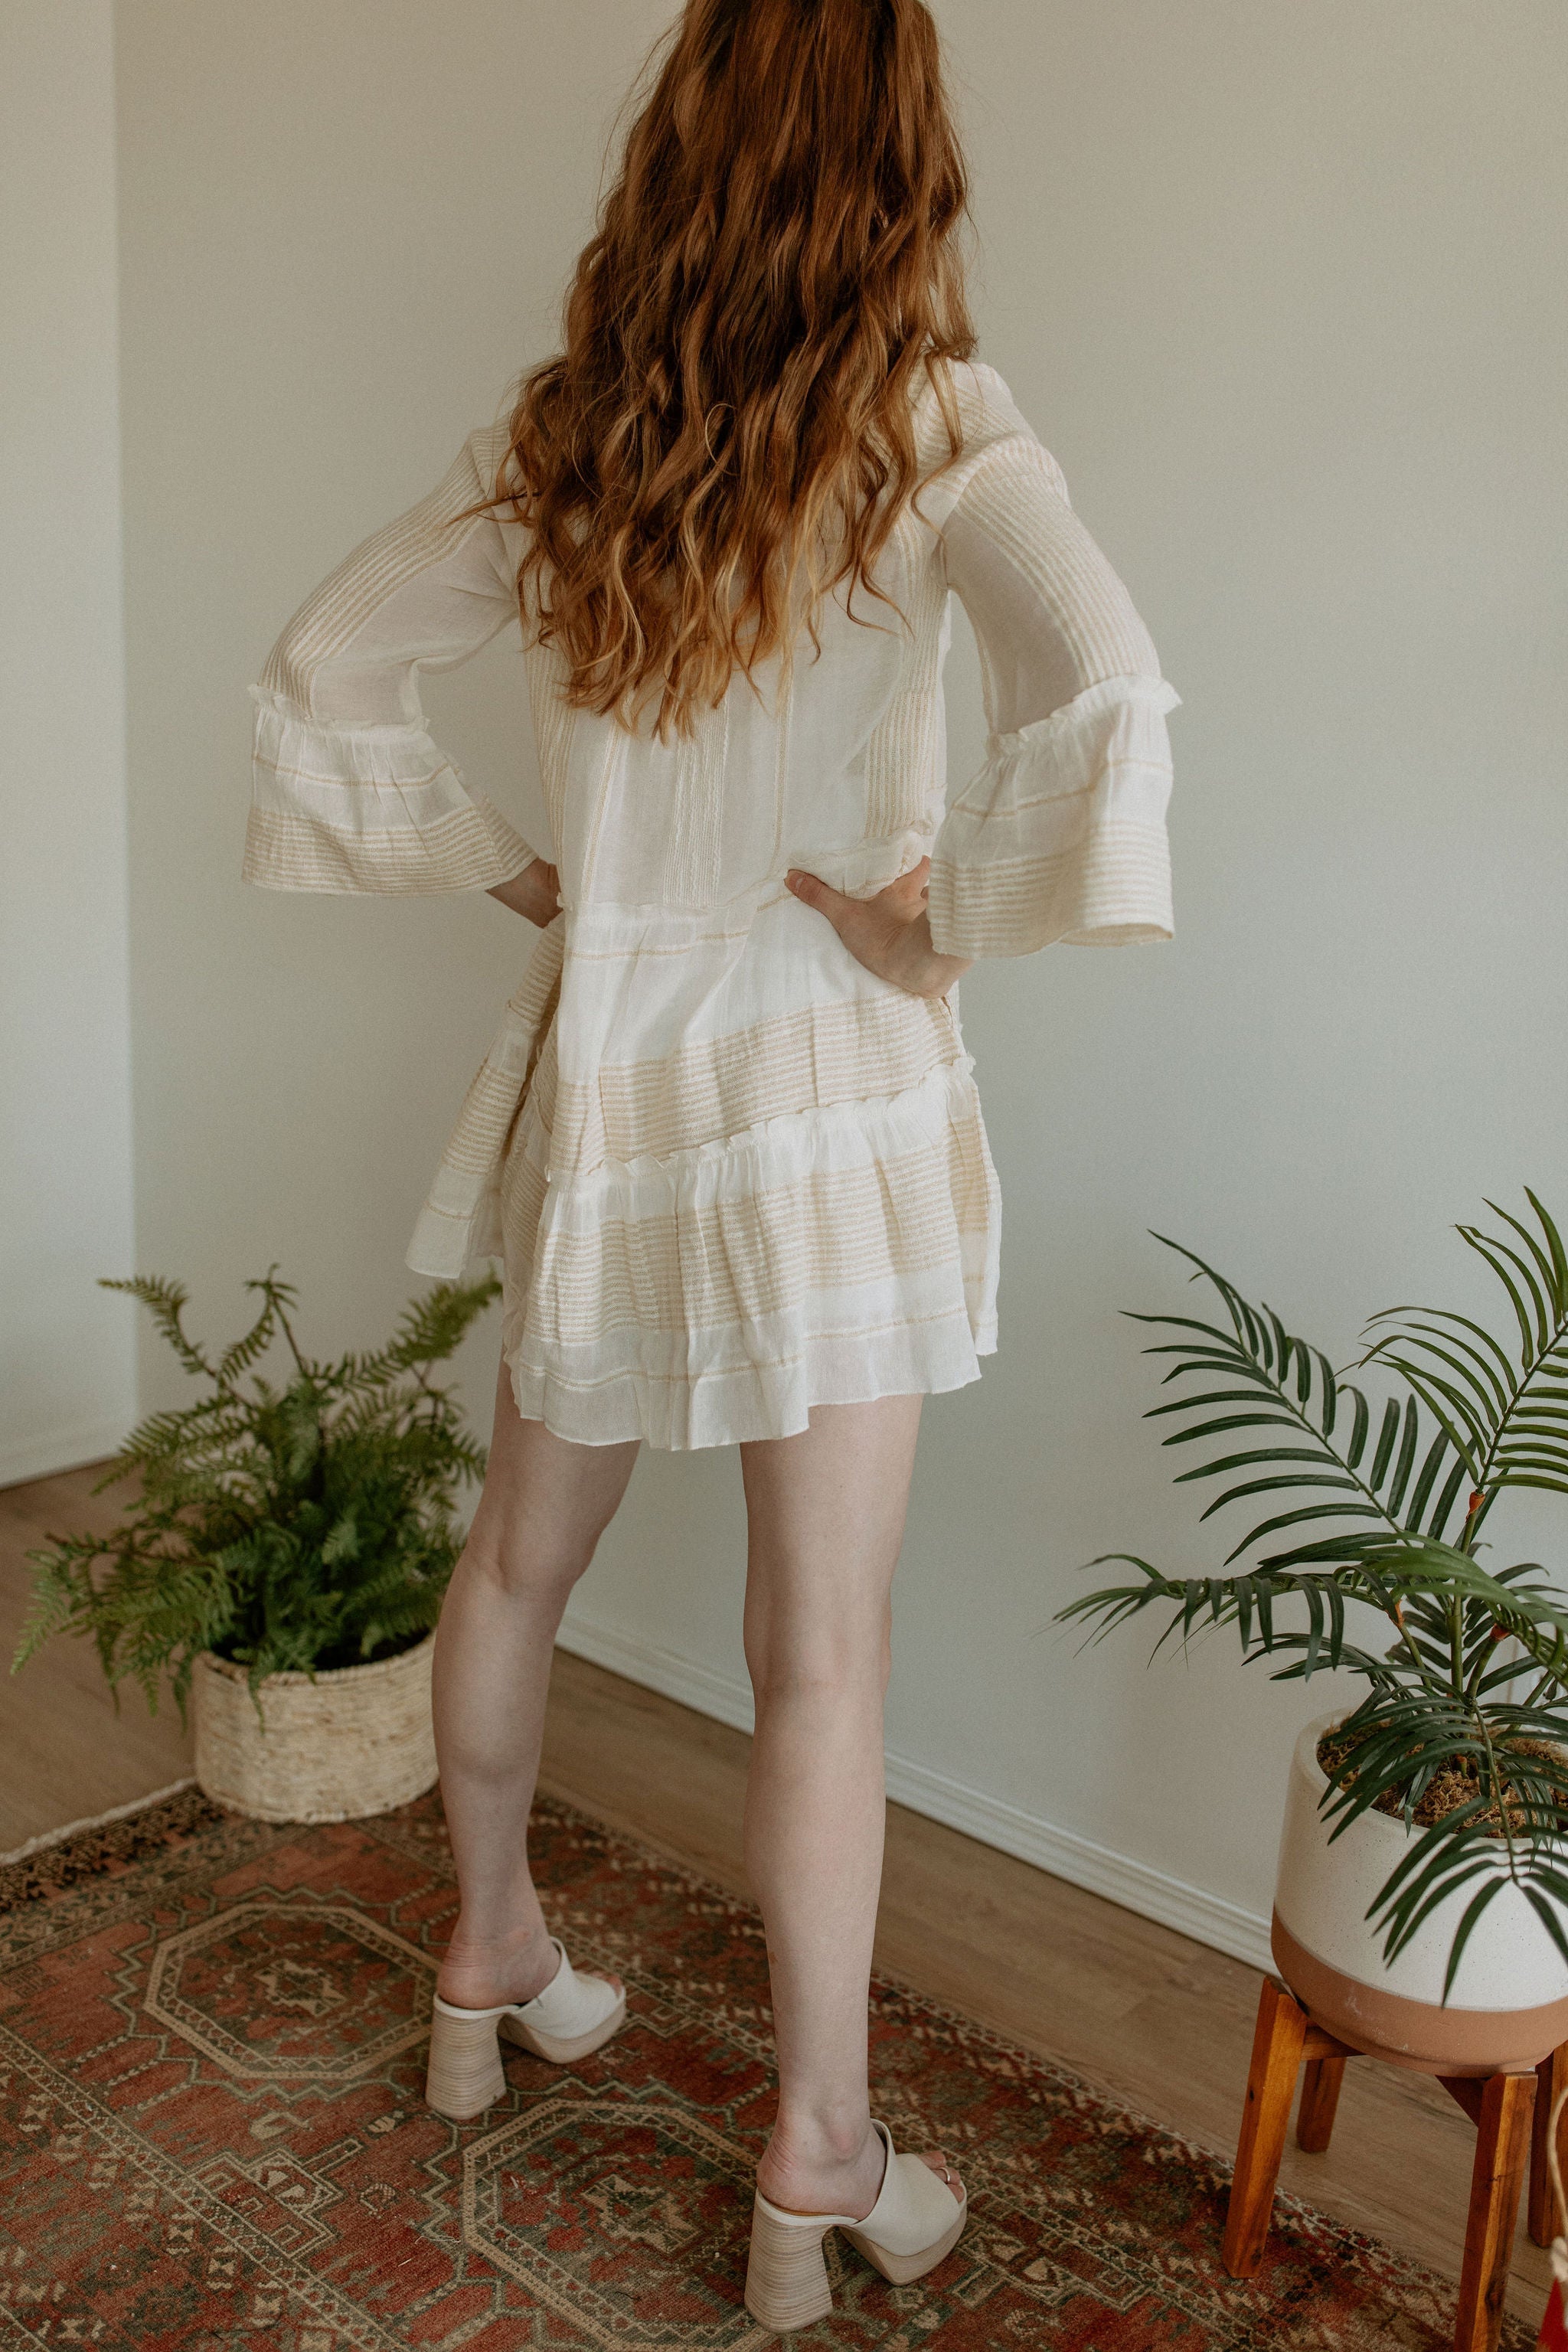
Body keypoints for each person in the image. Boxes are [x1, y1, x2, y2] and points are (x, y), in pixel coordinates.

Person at [244, 0, 1178, 2328]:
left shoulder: (569, 435)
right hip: (824, 1102)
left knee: (514, 1559)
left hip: (619, 1091)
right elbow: (1110, 690)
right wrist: (936, 920)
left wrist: (531, 880)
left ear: (676, 148)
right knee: (821, 1659)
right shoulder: (930, 424)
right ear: (901, 166)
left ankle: (488, 1960)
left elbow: (322, 663)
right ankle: (819, 2152)